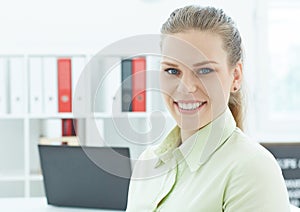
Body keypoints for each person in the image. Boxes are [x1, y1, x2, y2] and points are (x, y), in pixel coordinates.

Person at [126, 5, 290, 212]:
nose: (186, 87)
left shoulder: (253, 167)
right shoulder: (147, 162)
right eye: (172, 70)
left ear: (236, 76)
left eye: (204, 70)